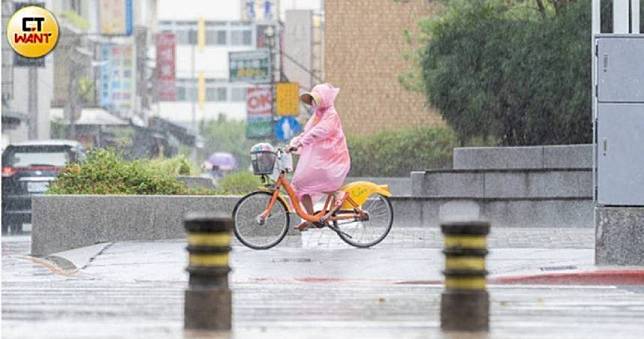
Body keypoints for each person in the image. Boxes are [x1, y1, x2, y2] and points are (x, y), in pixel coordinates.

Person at [288, 83, 351, 231]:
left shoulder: (331, 115)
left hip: (333, 161)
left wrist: (301, 142)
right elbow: (307, 133)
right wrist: (293, 144)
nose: (313, 103)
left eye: (316, 99)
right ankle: (312, 218)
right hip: (322, 161)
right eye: (312, 100)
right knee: (299, 186)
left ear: (325, 99)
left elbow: (319, 132)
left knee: (304, 182)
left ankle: (337, 193)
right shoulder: (317, 116)